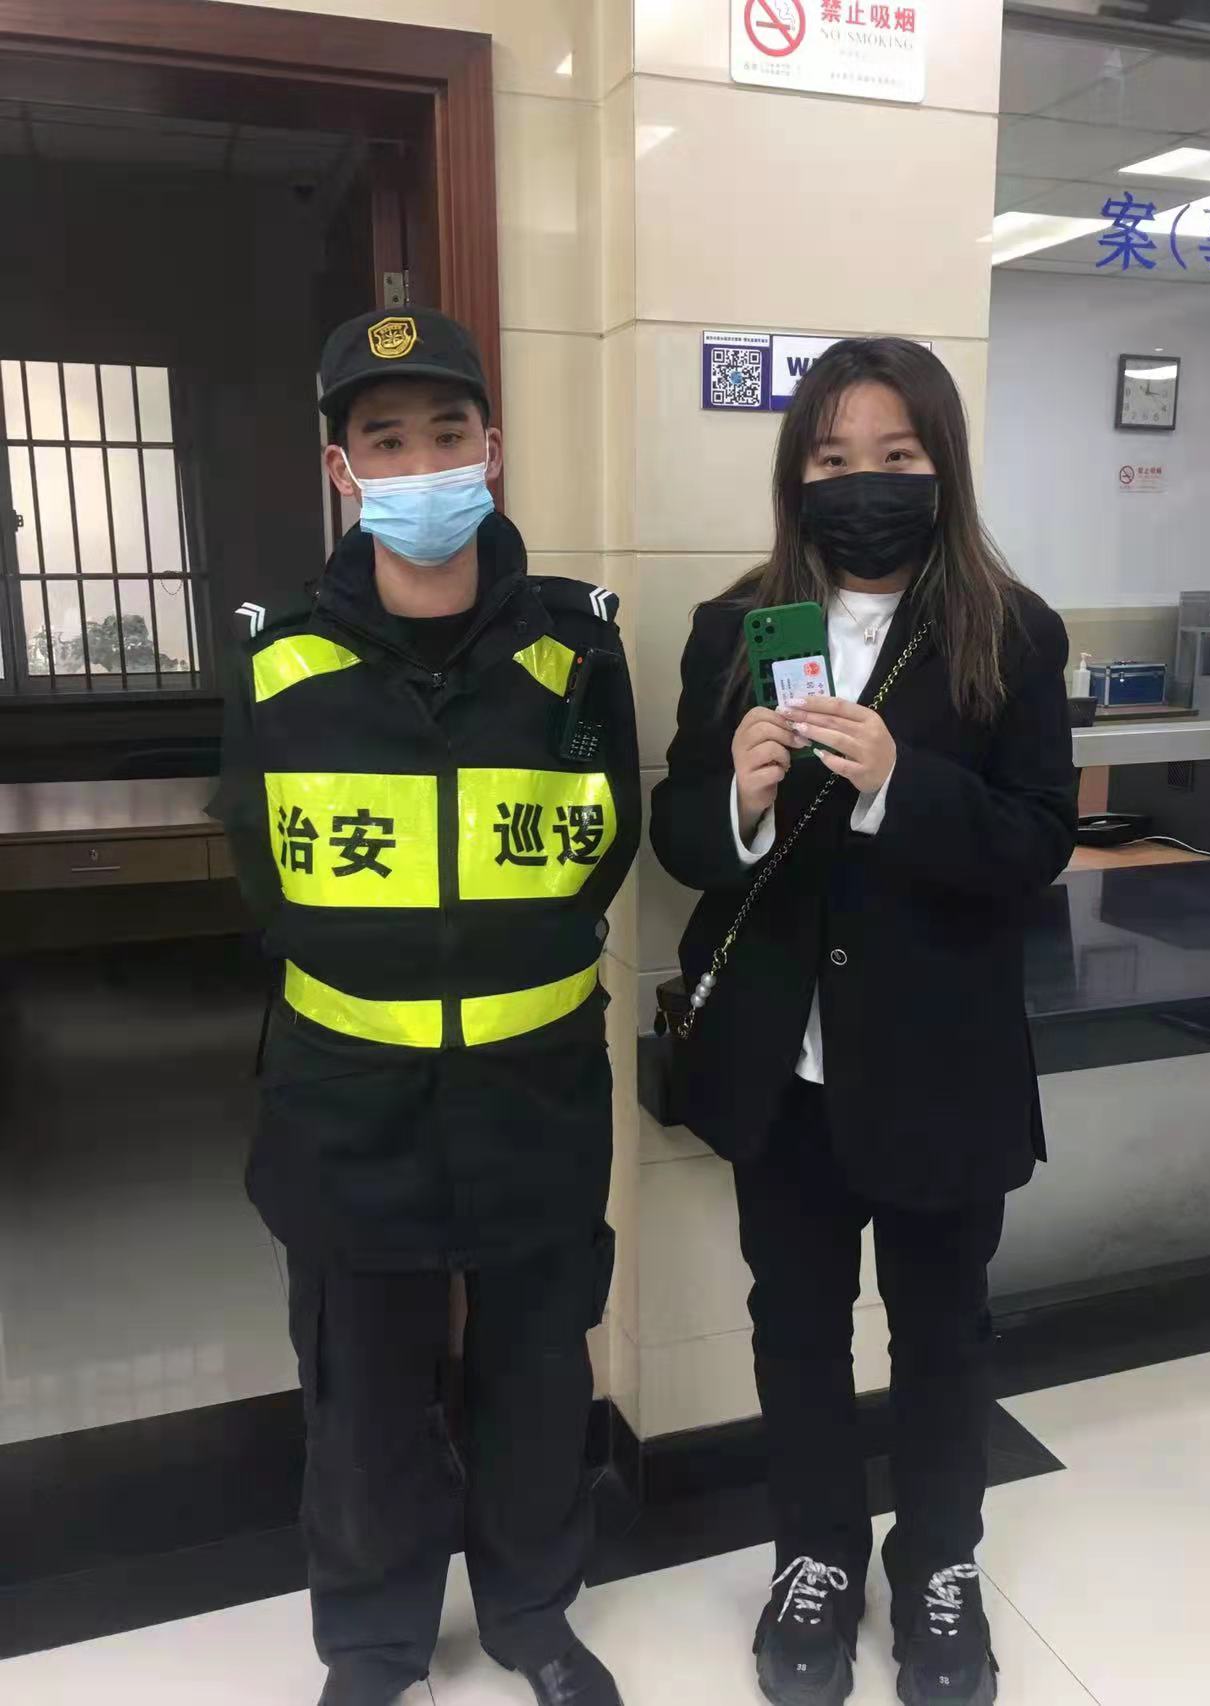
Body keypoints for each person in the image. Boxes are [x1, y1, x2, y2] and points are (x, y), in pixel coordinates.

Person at [214, 308, 639, 1706]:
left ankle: (531, 1615)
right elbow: (264, 870)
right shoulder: (279, 660)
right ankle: (376, 1642)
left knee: (538, 1373)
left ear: (492, 450)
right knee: (361, 1392)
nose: (419, 465)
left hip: (535, 1092)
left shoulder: (577, 646)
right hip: (349, 1101)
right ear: (342, 471)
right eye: (384, 440)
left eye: (445, 433)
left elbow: (606, 844)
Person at [649, 339, 1075, 1706]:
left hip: (942, 1066)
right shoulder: (735, 627)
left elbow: (1039, 842)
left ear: (943, 467)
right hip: (785, 1073)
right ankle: (816, 1555)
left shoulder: (1012, 632)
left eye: (896, 456)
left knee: (944, 1334)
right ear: (798, 476)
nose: (864, 484)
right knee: (795, 1328)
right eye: (833, 459)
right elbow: (678, 834)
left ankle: (940, 1562)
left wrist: (901, 784)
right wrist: (738, 799)